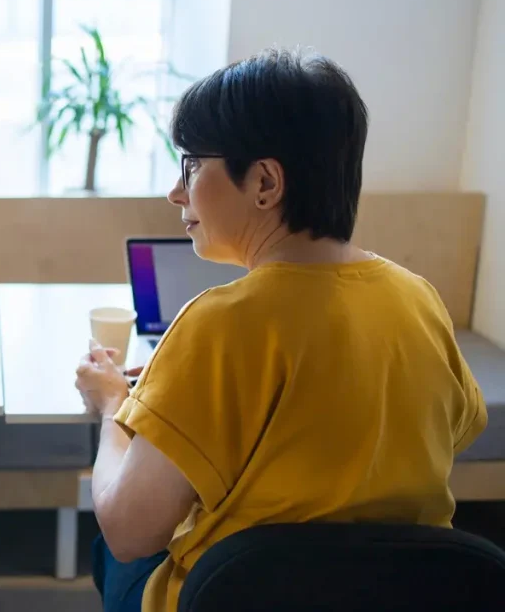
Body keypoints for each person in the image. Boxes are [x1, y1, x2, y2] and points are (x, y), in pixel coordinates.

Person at [74, 48, 488, 612]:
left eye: (193, 165)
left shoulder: (218, 322)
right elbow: (452, 427)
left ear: (265, 182)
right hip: (403, 597)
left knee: (111, 549)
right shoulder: (419, 298)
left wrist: (113, 407)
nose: (177, 191)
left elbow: (130, 531)